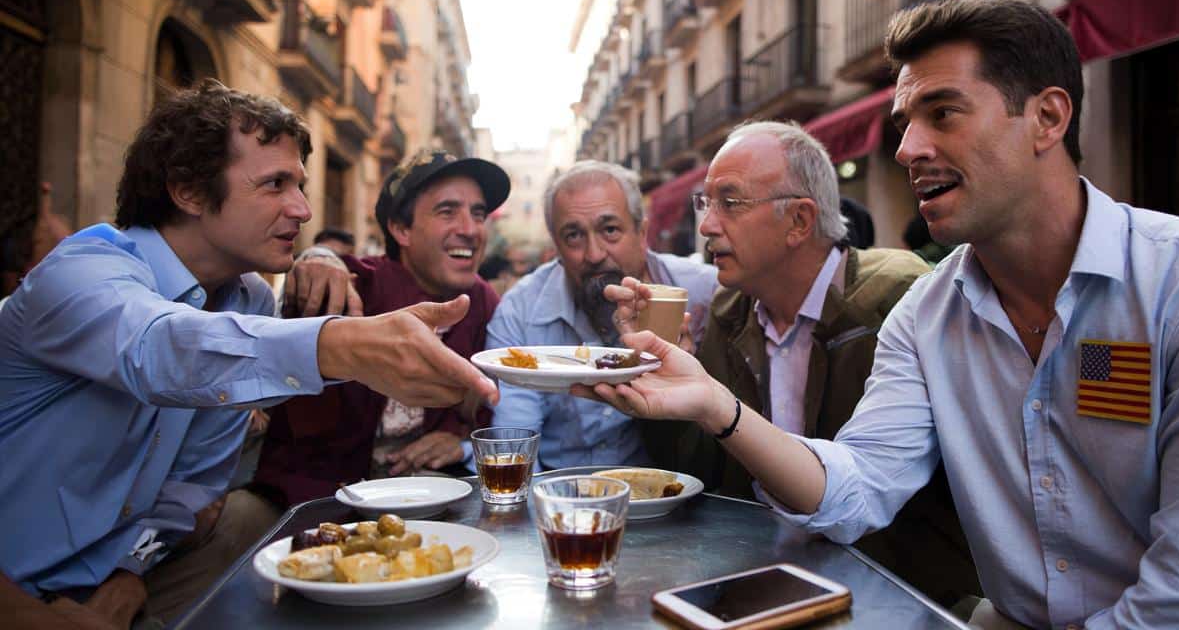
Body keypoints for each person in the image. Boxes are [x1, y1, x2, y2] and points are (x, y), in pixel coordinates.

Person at [583, 0, 1179, 628]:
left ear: (1047, 118)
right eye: (905, 121)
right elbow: (860, 485)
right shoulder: (927, 314)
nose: (908, 148)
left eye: (942, 113)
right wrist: (714, 405)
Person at [0, 81, 497, 628]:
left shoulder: (250, 298)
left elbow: (191, 489)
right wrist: (343, 346)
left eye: (300, 185)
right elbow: (159, 349)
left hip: (128, 577)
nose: (303, 209)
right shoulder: (80, 272)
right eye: (275, 184)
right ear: (189, 192)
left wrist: (128, 576)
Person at [612, 123, 977, 605]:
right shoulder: (729, 312)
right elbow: (701, 471)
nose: (706, 226)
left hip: (893, 596)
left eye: (730, 202)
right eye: (706, 203)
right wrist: (664, 385)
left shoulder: (898, 297)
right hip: (761, 581)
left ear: (800, 221)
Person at [248, 149, 509, 512]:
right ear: (401, 229)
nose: (470, 229)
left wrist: (461, 440)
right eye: (447, 212)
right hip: (311, 503)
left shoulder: (484, 302)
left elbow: (500, 409)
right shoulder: (348, 283)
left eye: (478, 214)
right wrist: (315, 257)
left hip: (430, 501)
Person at [484, 161, 718, 470]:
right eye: (573, 236)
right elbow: (514, 443)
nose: (594, 254)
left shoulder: (704, 293)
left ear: (642, 233)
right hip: (555, 489)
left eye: (610, 230)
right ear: (556, 246)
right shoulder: (519, 312)